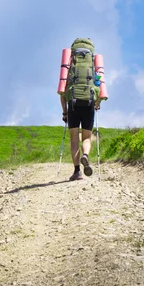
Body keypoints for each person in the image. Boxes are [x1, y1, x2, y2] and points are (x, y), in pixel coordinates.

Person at [60, 37, 102, 181]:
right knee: (86, 138)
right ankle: (86, 155)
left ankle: (77, 171)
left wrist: (65, 112)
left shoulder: (69, 68)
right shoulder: (93, 66)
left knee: (73, 140)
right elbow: (100, 89)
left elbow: (61, 93)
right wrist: (97, 103)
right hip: (89, 101)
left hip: (73, 102)